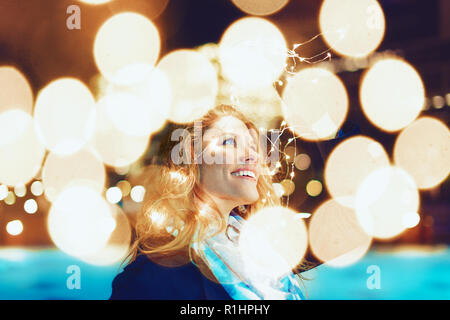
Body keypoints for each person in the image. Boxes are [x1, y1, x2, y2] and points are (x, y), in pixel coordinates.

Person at [109, 104, 310, 300]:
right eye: (229, 142)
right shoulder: (154, 274)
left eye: (252, 146)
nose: (253, 156)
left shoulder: (267, 253)